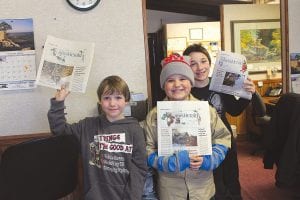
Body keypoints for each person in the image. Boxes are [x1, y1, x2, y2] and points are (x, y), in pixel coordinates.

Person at [145, 54, 232, 200]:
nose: (177, 84)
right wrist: (167, 163)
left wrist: (209, 160)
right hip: (170, 190)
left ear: (191, 82)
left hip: (202, 188)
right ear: (163, 86)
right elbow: (148, 149)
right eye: (170, 80)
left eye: (183, 79)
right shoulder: (155, 115)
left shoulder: (206, 110)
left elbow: (223, 137)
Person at [47, 75, 147, 200]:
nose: (112, 103)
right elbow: (60, 132)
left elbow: (140, 168)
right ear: (100, 100)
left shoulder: (135, 130)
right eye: (106, 98)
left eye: (118, 97)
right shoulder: (87, 126)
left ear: (126, 100)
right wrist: (58, 102)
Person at [183, 44, 260, 200]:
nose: (200, 67)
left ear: (210, 64)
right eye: (193, 63)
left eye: (203, 61)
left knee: (230, 178)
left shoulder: (221, 83)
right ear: (186, 66)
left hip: (225, 141)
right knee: (209, 184)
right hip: (199, 144)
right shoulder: (183, 90)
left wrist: (248, 93)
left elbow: (234, 110)